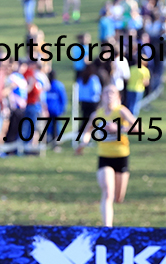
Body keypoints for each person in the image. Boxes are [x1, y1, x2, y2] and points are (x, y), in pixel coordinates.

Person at [75, 84, 137, 227]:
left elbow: (138, 128)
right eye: (106, 92)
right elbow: (87, 131)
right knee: (108, 192)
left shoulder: (121, 112)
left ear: (118, 96)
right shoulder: (97, 115)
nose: (109, 95)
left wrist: (119, 128)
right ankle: (107, 227)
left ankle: (112, 213)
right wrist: (82, 144)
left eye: (112, 93)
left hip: (121, 156)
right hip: (104, 156)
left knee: (118, 197)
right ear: (102, 96)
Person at [44, 70, 67, 144]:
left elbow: (62, 98)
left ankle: (53, 140)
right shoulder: (54, 85)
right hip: (52, 109)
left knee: (54, 126)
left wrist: (62, 108)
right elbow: (63, 98)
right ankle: (52, 140)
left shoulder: (56, 85)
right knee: (53, 126)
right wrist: (63, 108)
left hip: (51, 109)